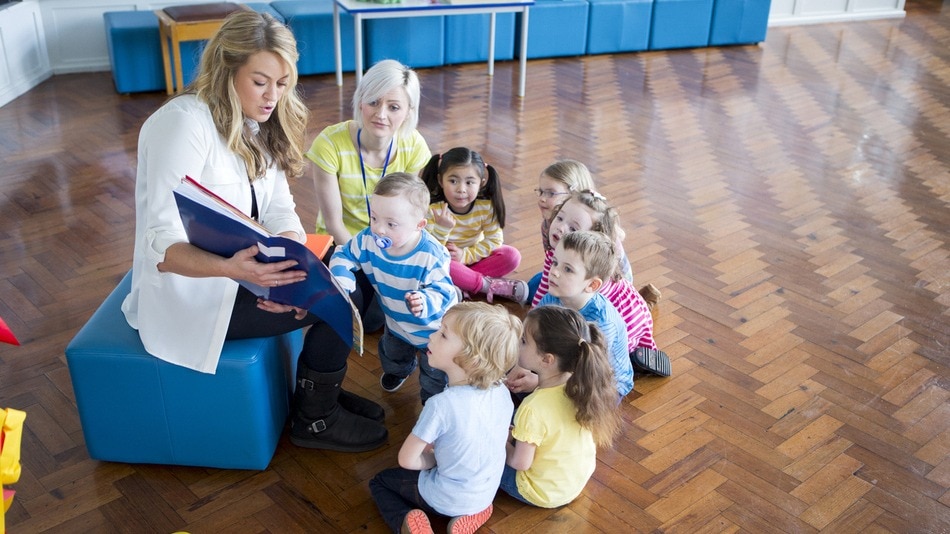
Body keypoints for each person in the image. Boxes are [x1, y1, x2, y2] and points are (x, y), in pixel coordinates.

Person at [121, 11, 387, 453]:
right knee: (342, 299)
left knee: (344, 280)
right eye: (261, 81)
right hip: (196, 295)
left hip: (247, 275)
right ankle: (315, 419)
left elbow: (281, 207)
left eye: (282, 84)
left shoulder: (254, 123)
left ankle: (318, 393)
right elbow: (161, 246)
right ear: (226, 70)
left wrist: (293, 267)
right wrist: (233, 270)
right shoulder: (183, 123)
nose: (272, 96)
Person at [369, 301, 521, 534]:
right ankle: (475, 513)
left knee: (380, 482)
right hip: (485, 493)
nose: (432, 336)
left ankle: (408, 520)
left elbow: (407, 460)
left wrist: (433, 459)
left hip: (444, 498)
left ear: (471, 359)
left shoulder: (440, 405)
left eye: (443, 335)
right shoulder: (502, 392)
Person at [307, 59, 431, 331]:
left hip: (391, 244)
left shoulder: (414, 146)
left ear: (408, 112)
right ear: (360, 100)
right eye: (373, 102)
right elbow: (333, 223)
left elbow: (409, 216)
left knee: (383, 317)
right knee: (357, 312)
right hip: (342, 245)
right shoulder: (329, 144)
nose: (381, 114)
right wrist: (370, 264)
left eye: (394, 107)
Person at [329, 172, 458, 404]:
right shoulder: (368, 239)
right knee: (392, 354)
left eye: (391, 224)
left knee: (434, 375)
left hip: (433, 331)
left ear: (419, 225)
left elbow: (444, 290)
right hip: (396, 322)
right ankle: (400, 370)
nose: (379, 229)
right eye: (374, 218)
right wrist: (342, 275)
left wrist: (425, 300)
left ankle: (433, 401)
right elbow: (344, 253)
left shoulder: (431, 255)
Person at [500, 305, 621, 508]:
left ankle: (474, 504)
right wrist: (536, 381)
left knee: (482, 450)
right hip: (572, 482)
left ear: (547, 359)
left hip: (539, 492)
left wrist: (501, 441)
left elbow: (519, 464)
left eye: (523, 341)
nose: (517, 344)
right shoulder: (581, 384)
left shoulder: (532, 408)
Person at [509, 231, 634, 398]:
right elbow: (529, 334)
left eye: (567, 269)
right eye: (555, 262)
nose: (554, 271)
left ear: (592, 285)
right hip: (560, 361)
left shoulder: (602, 322)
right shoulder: (553, 295)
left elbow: (589, 372)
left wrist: (539, 381)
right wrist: (520, 367)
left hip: (599, 383)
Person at [420, 147, 528, 304]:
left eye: (470, 182)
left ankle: (463, 285)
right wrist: (442, 228)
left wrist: (465, 256)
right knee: (444, 266)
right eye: (453, 181)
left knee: (512, 256)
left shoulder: (486, 207)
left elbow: (493, 241)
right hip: (447, 263)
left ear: (481, 183)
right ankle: (487, 285)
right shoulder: (432, 209)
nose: (461, 189)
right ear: (440, 180)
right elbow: (429, 252)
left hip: (474, 258)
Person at [527, 160, 596, 301]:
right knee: (533, 286)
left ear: (573, 195)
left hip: (592, 281)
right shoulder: (548, 225)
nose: (542, 199)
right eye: (540, 192)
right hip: (568, 269)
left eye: (551, 194)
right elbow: (551, 259)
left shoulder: (591, 234)